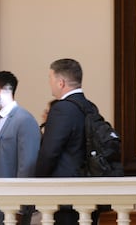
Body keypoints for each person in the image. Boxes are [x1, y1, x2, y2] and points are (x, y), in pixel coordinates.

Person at [0, 71, 41, 225]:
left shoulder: (25, 120)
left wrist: (21, 208)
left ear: (0, 90)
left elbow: (26, 167)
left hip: (10, 207)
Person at [35, 58, 90, 225]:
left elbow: (49, 152)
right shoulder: (89, 106)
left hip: (65, 193)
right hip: (87, 190)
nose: (49, 83)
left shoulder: (62, 109)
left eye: (50, 78)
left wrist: (37, 181)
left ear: (61, 82)